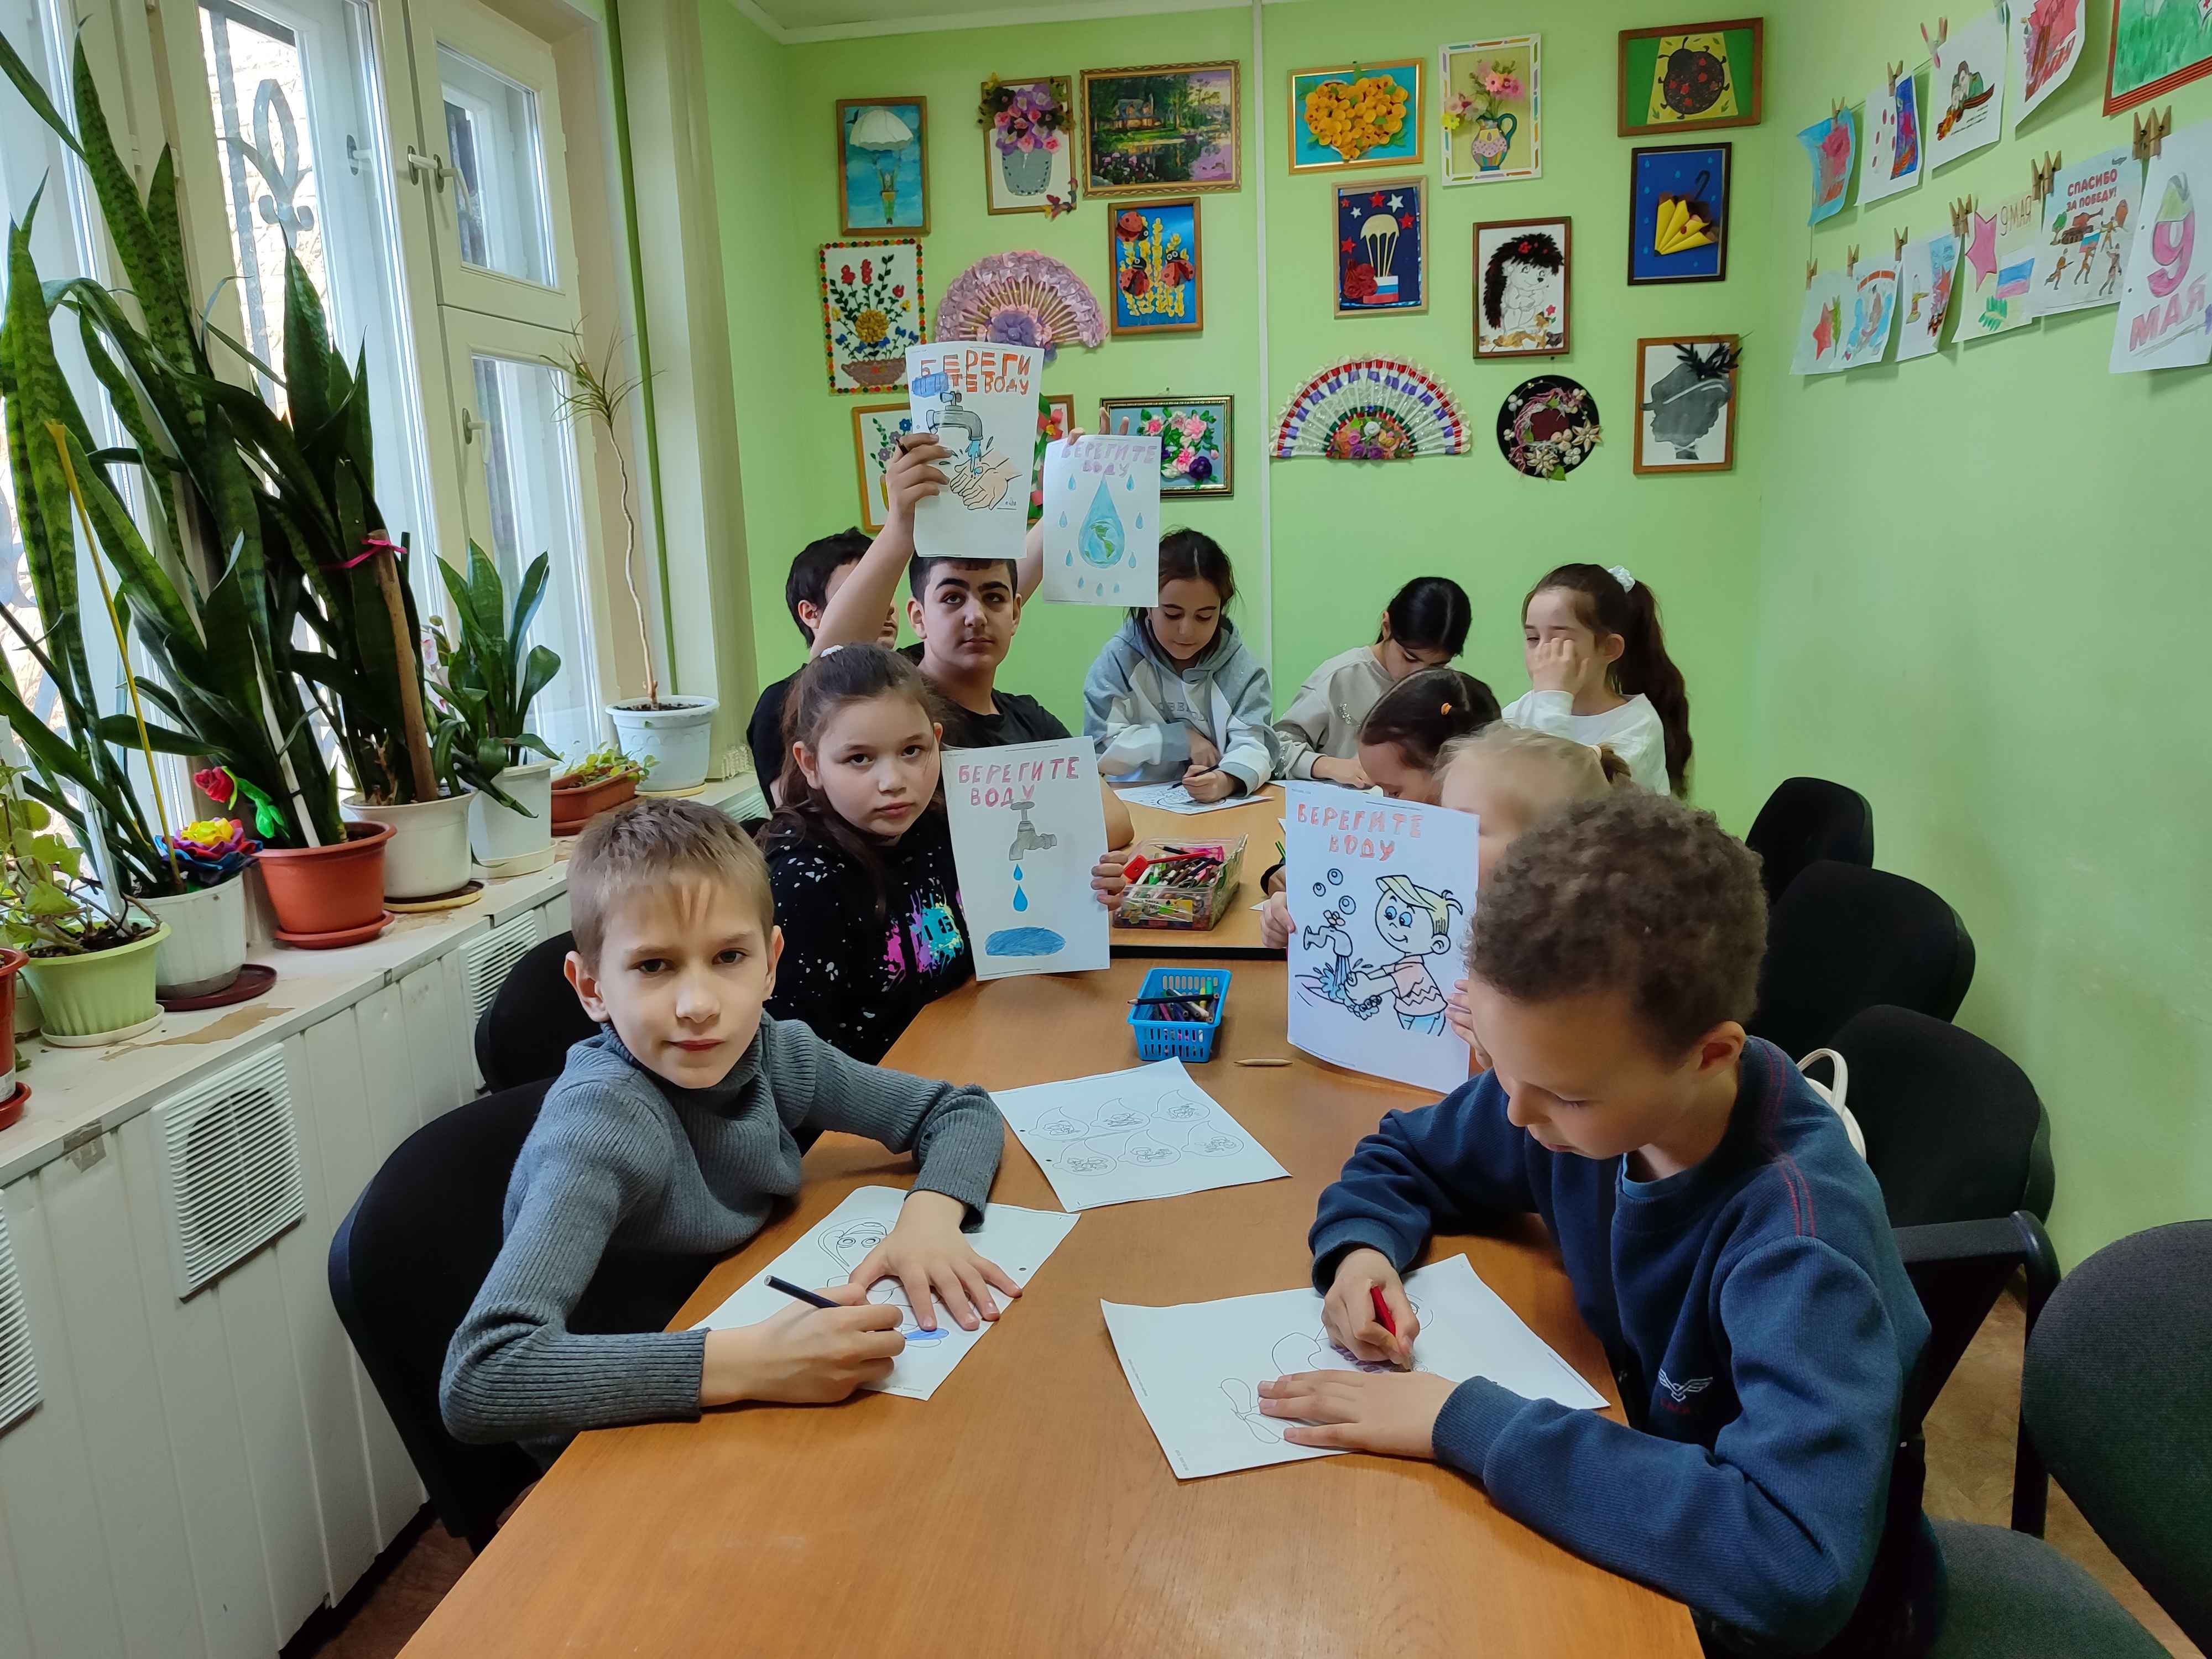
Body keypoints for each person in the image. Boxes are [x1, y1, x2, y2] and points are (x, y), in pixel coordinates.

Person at [1262, 792, 1937, 1657]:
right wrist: (1362, 1251)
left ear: (1710, 1056)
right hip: (1636, 1477)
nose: (1514, 1113)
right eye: (1500, 1065)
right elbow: (1406, 1154)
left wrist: (1462, 1422)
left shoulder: (1800, 1244)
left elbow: (1795, 1565)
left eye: (1561, 1094)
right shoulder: (1576, 1091)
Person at [439, 797, 1015, 1462]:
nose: (699, 1006)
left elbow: (958, 1111)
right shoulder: (600, 1127)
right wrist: (755, 1363)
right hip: (623, 1436)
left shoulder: (771, 1052)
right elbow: (483, 1377)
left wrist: (930, 1221)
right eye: (654, 966)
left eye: (729, 957)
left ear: (770, 963)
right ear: (591, 988)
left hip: (735, 1340)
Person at [763, 643, 1122, 1062]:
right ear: (810, 764)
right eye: (859, 758)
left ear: (936, 741)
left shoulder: (940, 827)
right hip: (881, 1095)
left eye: (911, 751)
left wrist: (1081, 898)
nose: (893, 781)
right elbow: (796, 1065)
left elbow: (1001, 949)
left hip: (967, 1053)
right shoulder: (802, 883)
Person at [813, 431, 1133, 846]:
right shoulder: (899, 714)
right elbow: (828, 662)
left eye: (994, 598)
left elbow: (1116, 820)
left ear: (1015, 613)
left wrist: (1071, 492)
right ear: (918, 617)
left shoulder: (1028, 720)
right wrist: (899, 528)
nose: (976, 616)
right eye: (952, 598)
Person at [1083, 529, 1275, 803]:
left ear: (1221, 610)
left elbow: (1256, 746)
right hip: (1133, 805)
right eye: (1172, 614)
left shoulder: (1242, 670)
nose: (1186, 631)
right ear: (1147, 605)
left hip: (1216, 808)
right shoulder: (1119, 660)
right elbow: (1100, 747)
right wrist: (1180, 740)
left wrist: (1226, 780)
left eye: (1204, 617)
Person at [1505, 562, 1691, 796]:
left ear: (1609, 648)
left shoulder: (1637, 727)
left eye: (1559, 641)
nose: (1542, 652)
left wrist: (1553, 698)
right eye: (1533, 638)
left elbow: (1560, 799)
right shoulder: (1519, 712)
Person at [1275, 577, 1474, 785]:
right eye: (1409, 658)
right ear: (1387, 627)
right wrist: (1327, 765)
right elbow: (1277, 747)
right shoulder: (1339, 678)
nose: (1419, 674)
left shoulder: (1449, 687)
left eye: (1437, 666)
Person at [747, 531, 899, 801]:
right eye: (860, 593)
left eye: (886, 589)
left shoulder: (909, 681)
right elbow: (792, 807)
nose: (885, 606)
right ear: (810, 613)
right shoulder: (779, 702)